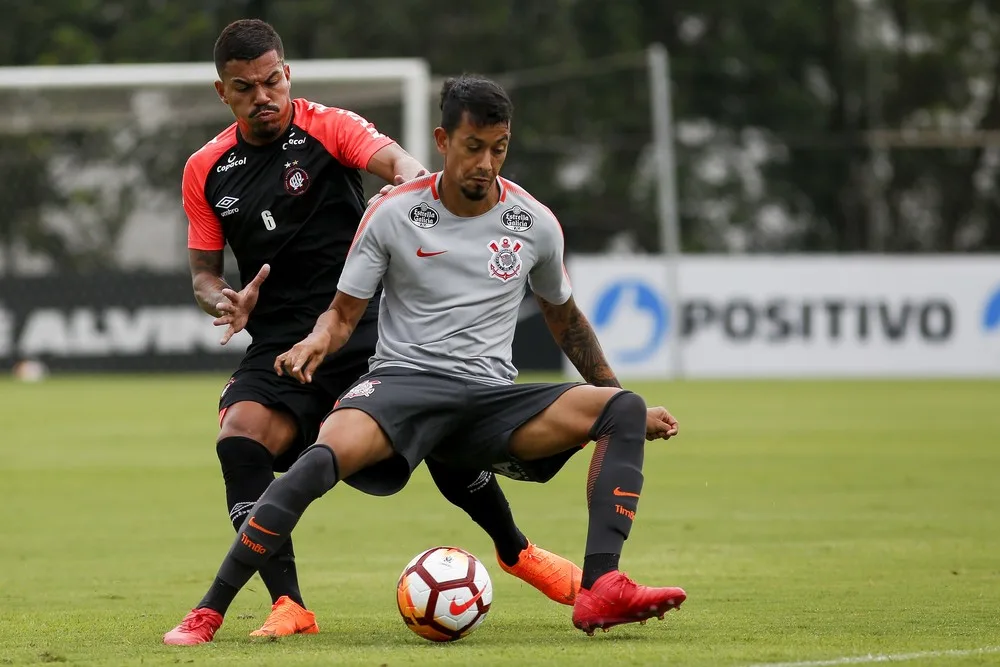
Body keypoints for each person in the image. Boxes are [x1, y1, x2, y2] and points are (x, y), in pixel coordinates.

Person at [164, 72, 686, 645]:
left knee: (625, 409)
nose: (486, 163)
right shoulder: (391, 214)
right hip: (402, 386)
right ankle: (213, 610)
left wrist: (613, 397)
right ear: (443, 140)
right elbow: (341, 315)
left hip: (489, 399)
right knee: (316, 461)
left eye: (499, 148)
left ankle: (601, 585)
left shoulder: (534, 222)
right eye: (473, 147)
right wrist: (316, 341)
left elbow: (566, 322)